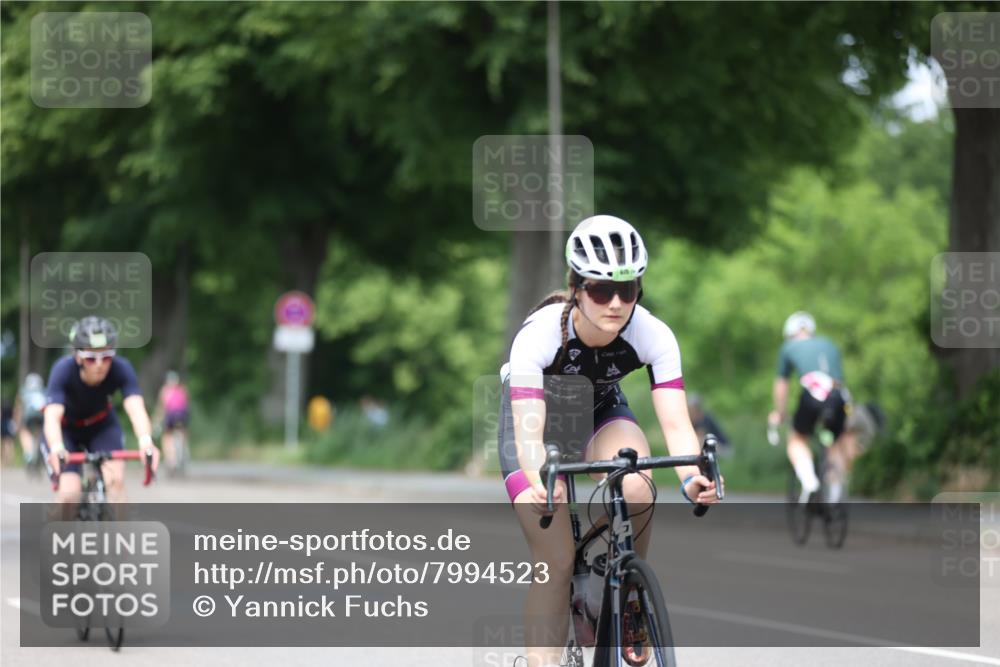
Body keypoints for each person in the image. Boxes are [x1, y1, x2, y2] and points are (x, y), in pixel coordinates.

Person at [497, 215, 721, 667]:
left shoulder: (651, 333)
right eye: (601, 290)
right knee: (556, 562)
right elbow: (528, 427)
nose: (616, 303)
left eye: (629, 289)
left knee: (636, 479)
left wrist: (693, 477)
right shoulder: (539, 335)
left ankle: (631, 592)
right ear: (576, 287)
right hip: (537, 425)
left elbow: (677, 424)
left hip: (601, 412)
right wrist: (541, 476)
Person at [43, 317, 160, 514]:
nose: (99, 365)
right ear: (78, 357)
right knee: (70, 493)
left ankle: (124, 542)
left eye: (106, 357)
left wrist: (146, 442)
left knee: (115, 481)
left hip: (101, 426)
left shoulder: (121, 368)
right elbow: (52, 416)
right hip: (66, 431)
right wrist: (56, 447)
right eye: (91, 358)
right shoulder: (62, 370)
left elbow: (136, 408)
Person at [768, 311, 856, 503]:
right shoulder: (830, 344)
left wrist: (780, 413)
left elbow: (782, 385)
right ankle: (835, 493)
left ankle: (810, 484)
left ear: (790, 332)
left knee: (797, 440)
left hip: (813, 395)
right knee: (835, 443)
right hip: (839, 396)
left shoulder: (788, 346)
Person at [155, 370, 189, 471]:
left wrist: (157, 419)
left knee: (167, 437)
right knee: (183, 432)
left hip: (170, 416)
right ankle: (183, 451)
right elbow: (186, 406)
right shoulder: (182, 389)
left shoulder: (165, 390)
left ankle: (171, 460)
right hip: (182, 416)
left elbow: (162, 407)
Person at [15, 372, 47, 469]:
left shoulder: (24, 391)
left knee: (24, 432)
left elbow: (19, 408)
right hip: (41, 415)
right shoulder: (43, 390)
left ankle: (29, 454)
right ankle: (37, 452)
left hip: (29, 415)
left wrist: (17, 423)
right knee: (38, 433)